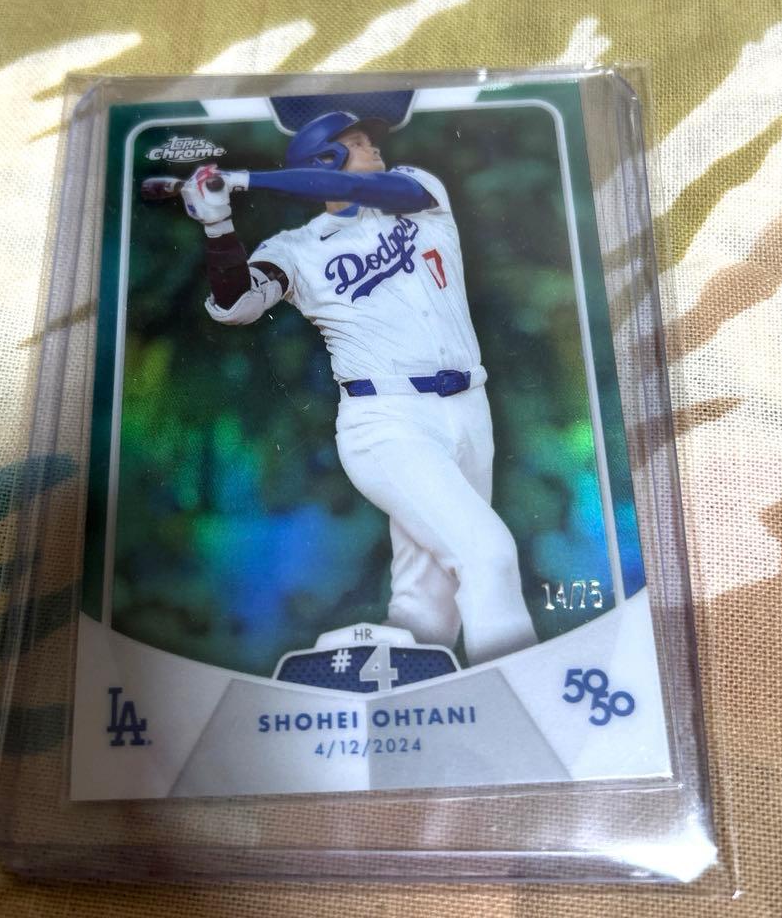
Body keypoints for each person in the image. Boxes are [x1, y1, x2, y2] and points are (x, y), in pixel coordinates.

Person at [181, 111, 537, 666]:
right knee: (486, 555)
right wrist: (218, 225)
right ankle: (522, 688)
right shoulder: (295, 248)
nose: (374, 146)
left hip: (470, 406)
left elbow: (365, 189)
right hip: (388, 422)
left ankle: (411, 698)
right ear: (324, 158)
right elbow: (236, 303)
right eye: (357, 142)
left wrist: (247, 180)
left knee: (429, 604)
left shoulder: (416, 190)